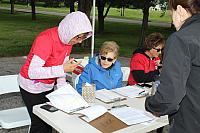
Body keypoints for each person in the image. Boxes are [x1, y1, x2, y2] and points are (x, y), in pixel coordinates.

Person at [18, 11, 92, 133]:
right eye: (78, 37)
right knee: (40, 123)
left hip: (47, 85)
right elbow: (33, 72)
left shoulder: (68, 40)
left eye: (82, 38)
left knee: (50, 120)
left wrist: (64, 92)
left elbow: (62, 68)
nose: (79, 41)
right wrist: (63, 69)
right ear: (69, 30)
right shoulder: (45, 39)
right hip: (30, 86)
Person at [145, 0, 200, 133]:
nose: (172, 18)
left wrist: (150, 104)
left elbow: (169, 98)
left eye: (171, 12)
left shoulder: (181, 39)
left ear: (180, 10)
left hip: (190, 122)